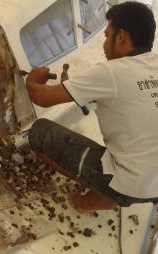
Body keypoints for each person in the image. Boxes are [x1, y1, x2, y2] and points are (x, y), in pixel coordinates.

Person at [26, 1, 158, 212]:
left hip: (131, 184)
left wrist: (33, 79)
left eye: (107, 36)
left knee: (39, 132)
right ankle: (119, 190)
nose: (104, 44)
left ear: (121, 37)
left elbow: (41, 98)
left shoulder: (111, 72)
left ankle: (91, 201)